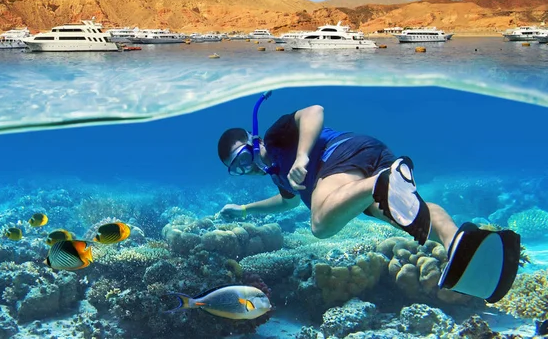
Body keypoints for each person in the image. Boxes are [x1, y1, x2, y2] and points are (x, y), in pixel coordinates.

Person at [216, 91, 520, 304]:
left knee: (321, 225)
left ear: (252, 141)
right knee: (409, 215)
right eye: (238, 171)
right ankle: (458, 242)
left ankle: (381, 182)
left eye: (243, 159)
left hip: (344, 153)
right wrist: (243, 210)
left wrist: (302, 157)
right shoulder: (276, 173)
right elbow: (288, 202)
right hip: (369, 155)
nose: (247, 170)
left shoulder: (274, 136)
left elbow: (314, 111)